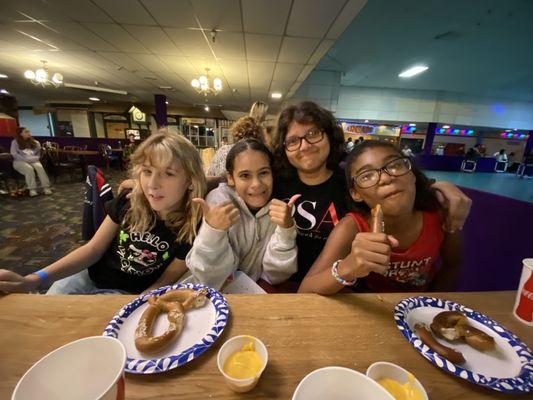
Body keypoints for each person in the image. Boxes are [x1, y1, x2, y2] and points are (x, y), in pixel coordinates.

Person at [272, 101, 471, 284]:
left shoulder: (355, 181)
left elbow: (403, 183)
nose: (305, 146)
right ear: (284, 148)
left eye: (313, 134)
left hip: (344, 288)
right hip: (286, 280)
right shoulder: (275, 183)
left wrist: (441, 189)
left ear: (329, 136)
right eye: (292, 141)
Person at [0, 133, 206, 295]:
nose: (152, 185)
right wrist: (34, 279)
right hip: (89, 275)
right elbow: (93, 249)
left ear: (189, 180)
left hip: (131, 294)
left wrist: (140, 303)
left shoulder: (193, 224)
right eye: (147, 171)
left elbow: (167, 277)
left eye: (168, 174)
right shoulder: (129, 202)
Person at [298, 140, 461, 294]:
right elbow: (305, 290)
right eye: (366, 175)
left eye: (395, 165)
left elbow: (452, 265)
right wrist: (348, 267)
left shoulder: (442, 215)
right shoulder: (352, 227)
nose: (385, 178)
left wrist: (431, 304)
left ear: (412, 174)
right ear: (356, 193)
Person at [185, 139, 298, 290]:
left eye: (263, 172)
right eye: (245, 175)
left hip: (254, 295)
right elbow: (207, 277)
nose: (256, 184)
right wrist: (212, 232)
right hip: (212, 297)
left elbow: (275, 275)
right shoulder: (219, 202)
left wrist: (286, 231)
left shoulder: (281, 208)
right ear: (230, 178)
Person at [10, 127, 52, 196]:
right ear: (21, 134)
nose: (28, 133)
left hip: (33, 160)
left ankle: (46, 187)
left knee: (40, 168)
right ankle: (32, 189)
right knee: (29, 169)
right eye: (26, 132)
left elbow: (38, 155)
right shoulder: (15, 142)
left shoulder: (35, 142)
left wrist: (33, 159)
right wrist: (25, 160)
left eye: (29, 131)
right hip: (19, 161)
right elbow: (14, 154)